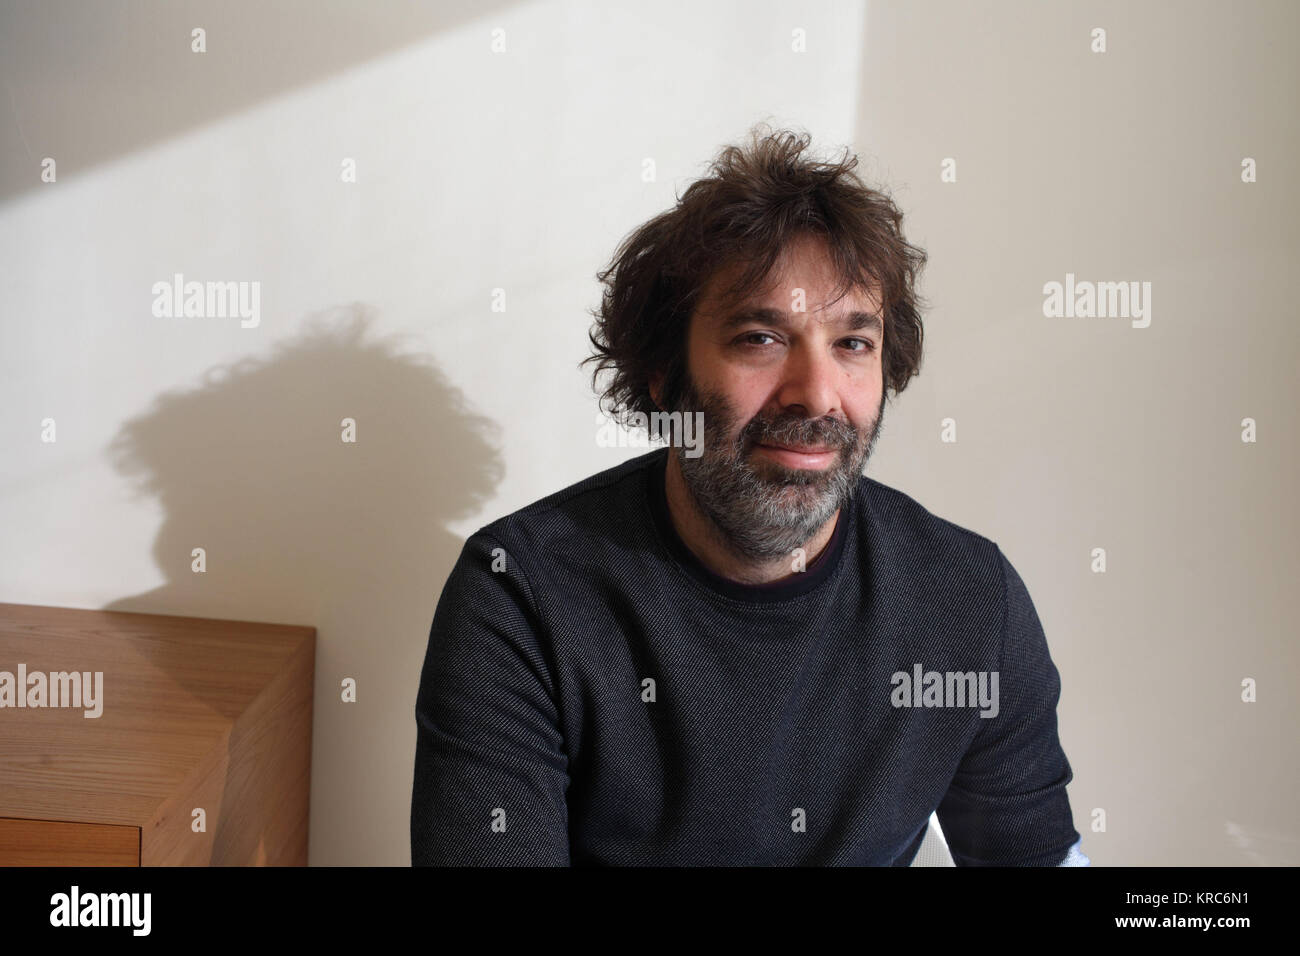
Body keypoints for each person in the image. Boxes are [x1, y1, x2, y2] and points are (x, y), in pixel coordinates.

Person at [411, 124, 1089, 866]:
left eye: (853, 343)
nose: (817, 395)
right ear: (665, 377)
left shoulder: (966, 602)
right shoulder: (523, 596)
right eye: (760, 338)